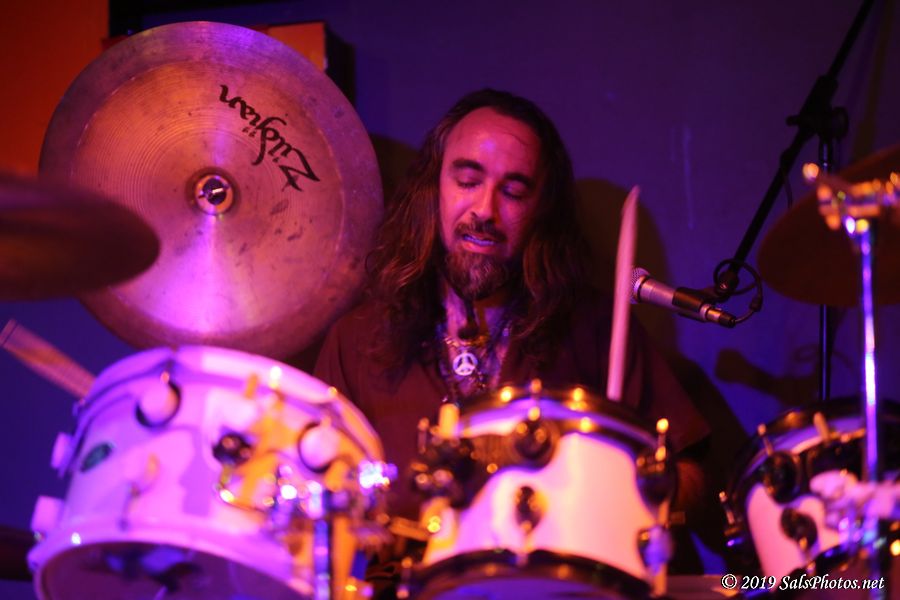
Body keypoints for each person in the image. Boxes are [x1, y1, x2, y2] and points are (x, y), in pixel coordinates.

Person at [314, 88, 709, 523]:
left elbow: (692, 473)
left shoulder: (595, 328)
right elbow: (317, 495)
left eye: (514, 192)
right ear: (434, 189)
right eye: (468, 182)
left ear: (542, 211)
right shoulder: (356, 342)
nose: (485, 210)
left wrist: (630, 485)